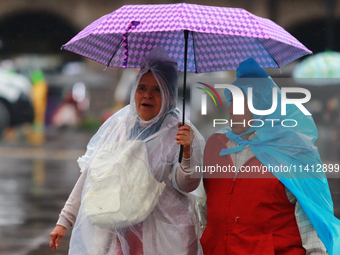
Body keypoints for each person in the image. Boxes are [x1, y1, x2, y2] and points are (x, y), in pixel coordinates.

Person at [50, 47, 205, 255]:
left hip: (165, 240)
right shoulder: (120, 126)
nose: (147, 95)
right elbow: (92, 175)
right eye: (142, 87)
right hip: (120, 237)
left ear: (169, 93)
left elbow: (187, 185)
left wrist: (187, 153)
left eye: (157, 89)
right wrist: (64, 220)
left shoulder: (180, 132)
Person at [200, 58, 340, 255]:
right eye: (231, 101)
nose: (230, 110)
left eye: (239, 104)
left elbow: (313, 231)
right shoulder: (216, 145)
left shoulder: (293, 152)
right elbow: (204, 212)